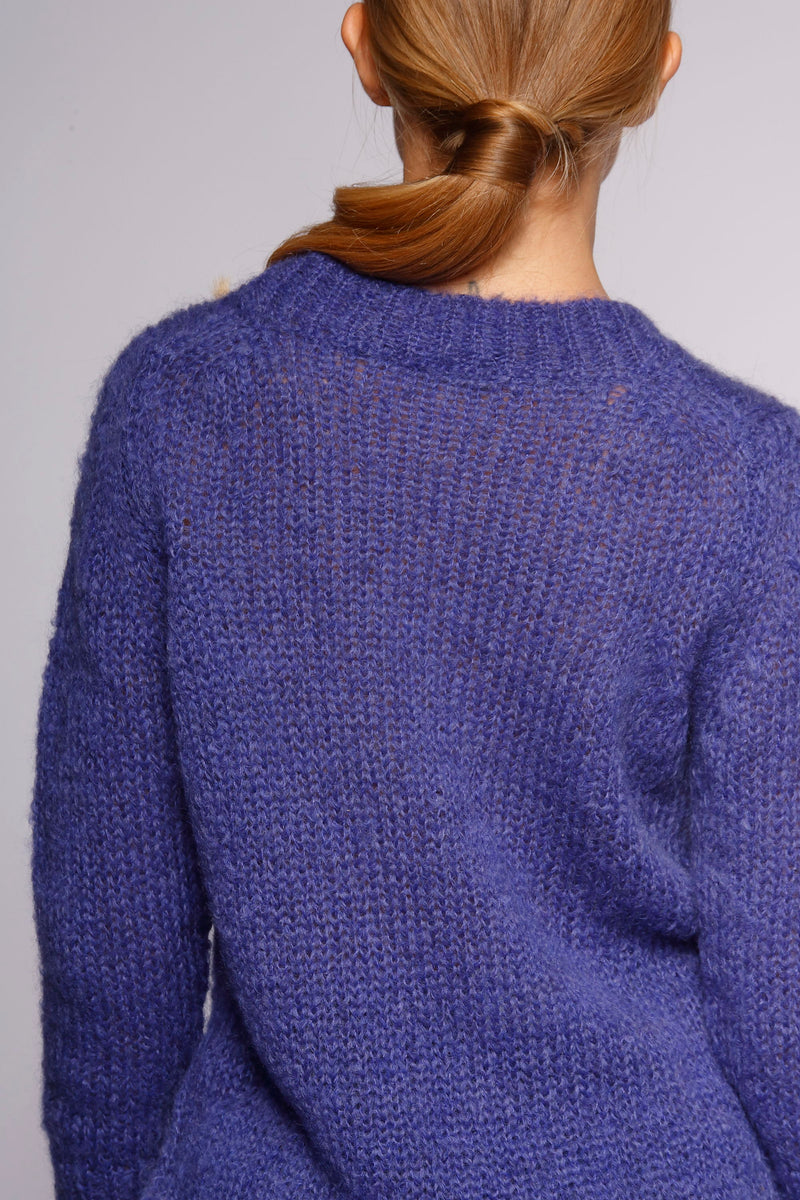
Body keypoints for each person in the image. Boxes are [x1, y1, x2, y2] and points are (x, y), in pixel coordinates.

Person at [29, 2, 800, 1198]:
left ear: (368, 48)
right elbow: (777, 994)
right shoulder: (741, 473)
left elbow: (114, 947)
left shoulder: (181, 405)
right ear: (653, 74)